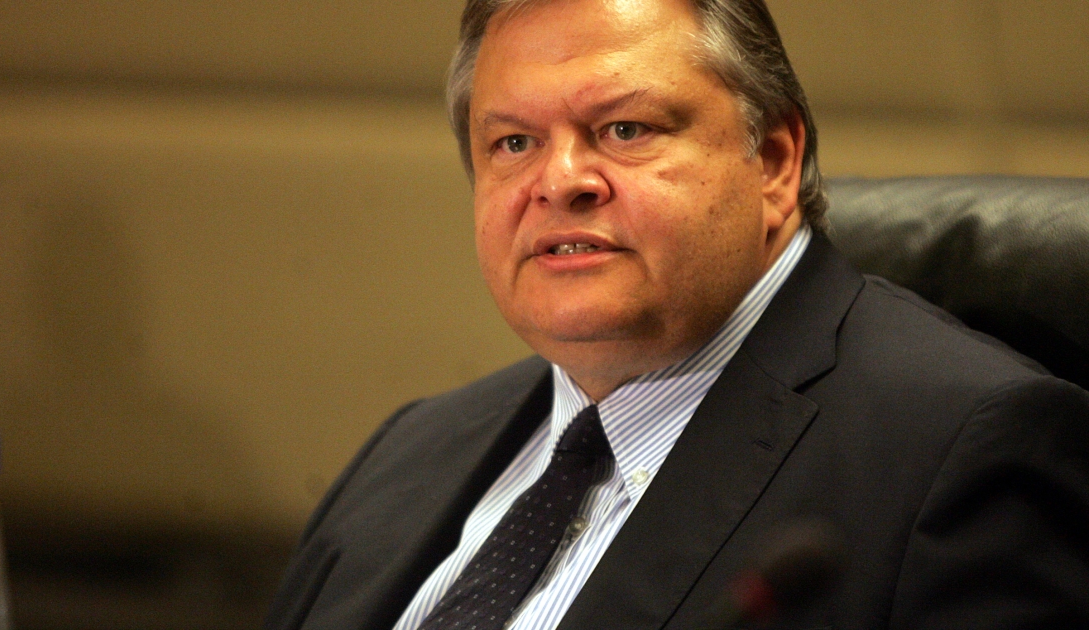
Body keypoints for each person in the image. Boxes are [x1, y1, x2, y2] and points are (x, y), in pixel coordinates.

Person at [266, 0, 1089, 628]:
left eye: (624, 129)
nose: (560, 181)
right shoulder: (408, 453)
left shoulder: (963, 458)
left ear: (774, 161)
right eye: (513, 143)